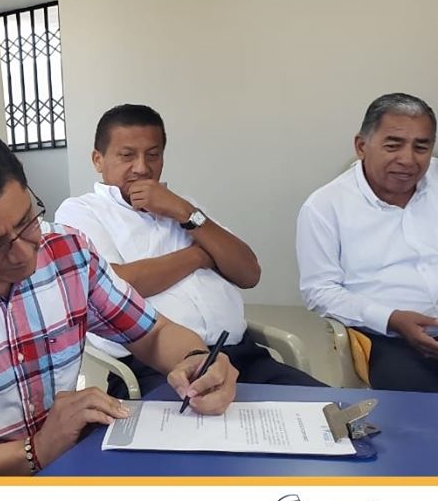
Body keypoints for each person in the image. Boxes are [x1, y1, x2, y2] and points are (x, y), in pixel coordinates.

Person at [0, 124, 238, 476]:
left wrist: (195, 360)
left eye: (26, 221)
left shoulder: (67, 251)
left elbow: (153, 333)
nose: (23, 254)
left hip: (68, 468)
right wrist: (35, 450)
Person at [56, 104, 324, 399]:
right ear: (98, 159)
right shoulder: (81, 211)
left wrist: (184, 211)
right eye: (127, 155)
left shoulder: (180, 205)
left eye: (153, 155)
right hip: (156, 369)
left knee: (334, 412)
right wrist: (199, 256)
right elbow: (112, 287)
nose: (142, 168)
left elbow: (249, 273)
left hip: (242, 356)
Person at [297, 92, 438, 392]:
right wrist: (392, 319)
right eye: (393, 145)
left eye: (421, 147)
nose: (408, 159)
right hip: (387, 336)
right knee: (419, 402)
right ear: (362, 146)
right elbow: (319, 291)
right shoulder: (324, 206)